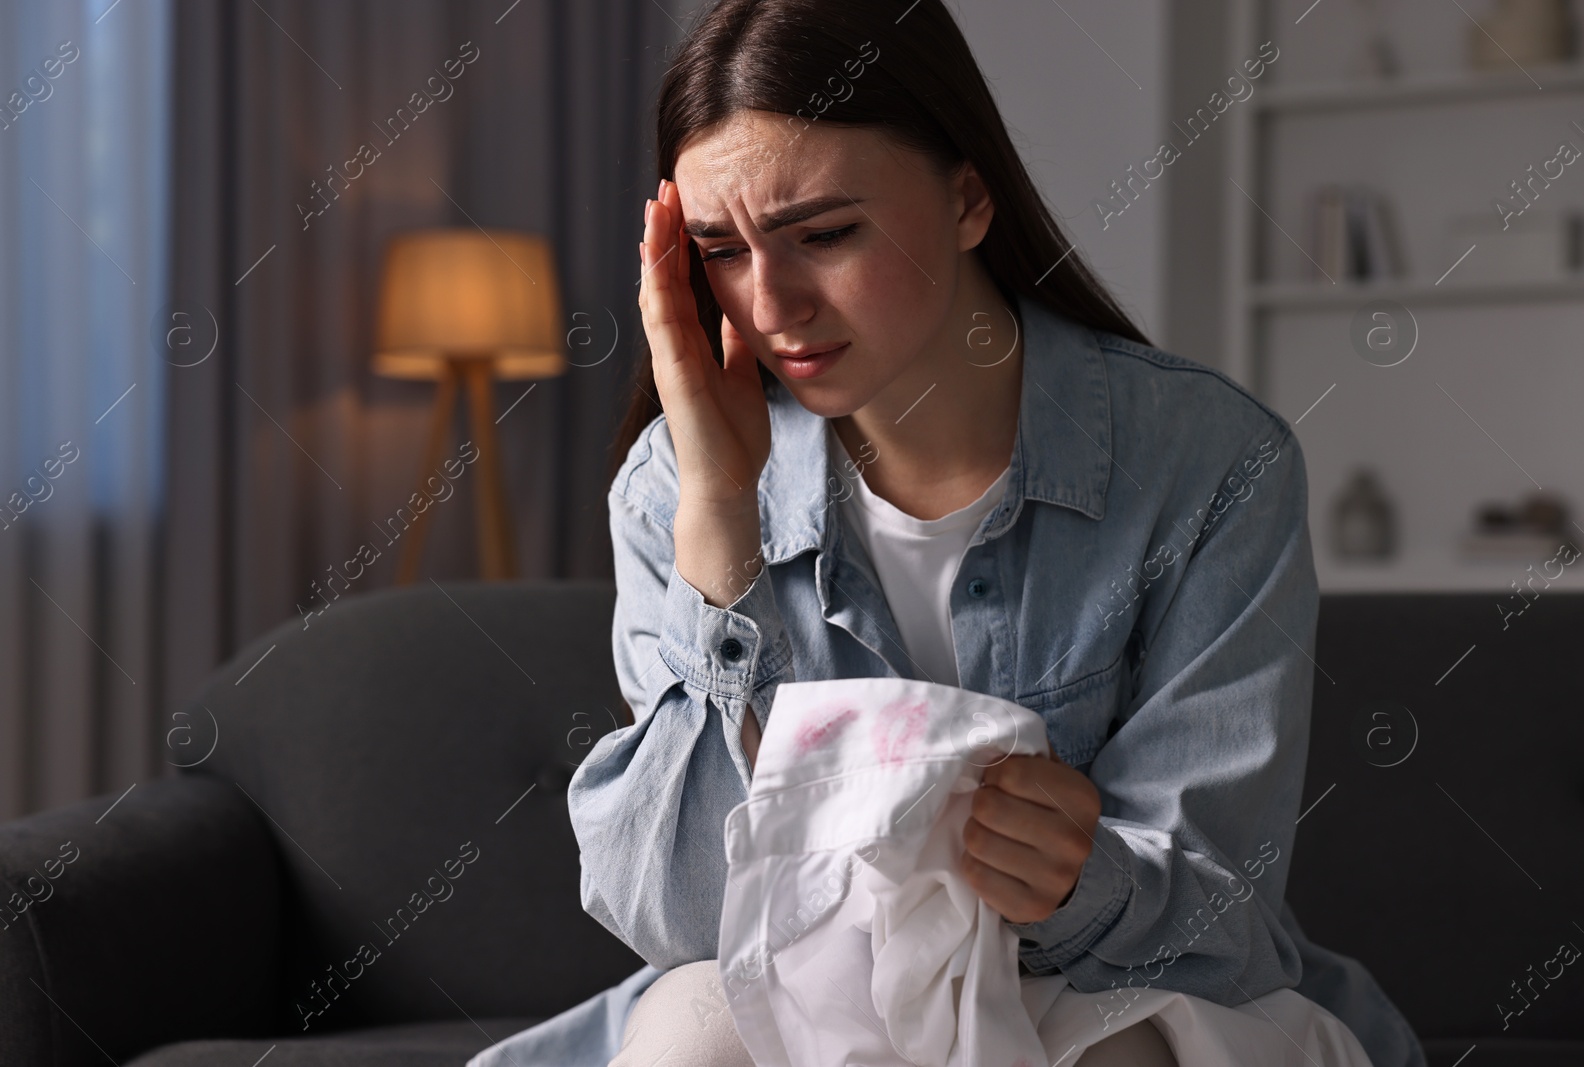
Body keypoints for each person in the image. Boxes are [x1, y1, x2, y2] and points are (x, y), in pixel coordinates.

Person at [468, 2, 1428, 1065]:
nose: (772, 300)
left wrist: (1080, 877)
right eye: (719, 250)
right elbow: (684, 917)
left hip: (1104, 994)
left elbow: (1217, 919)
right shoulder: (675, 486)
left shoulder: (1211, 461)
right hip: (806, 991)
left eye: (824, 234)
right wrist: (718, 517)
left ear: (968, 198)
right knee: (689, 1038)